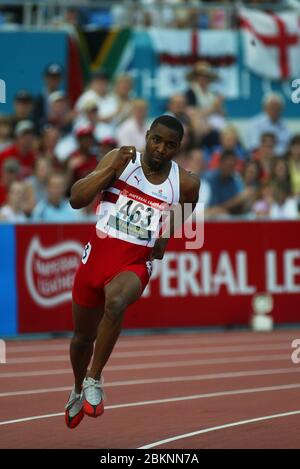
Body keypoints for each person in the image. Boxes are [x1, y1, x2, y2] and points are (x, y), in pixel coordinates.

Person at [65, 115, 199, 429]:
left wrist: (165, 236)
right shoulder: (121, 160)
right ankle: (75, 387)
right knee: (82, 338)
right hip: (96, 257)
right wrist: (112, 170)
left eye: (170, 145)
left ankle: (94, 378)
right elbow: (76, 199)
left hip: (134, 262)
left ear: (178, 148)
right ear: (147, 136)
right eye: (157, 140)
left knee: (116, 302)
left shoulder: (186, 181)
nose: (161, 149)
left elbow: (189, 205)